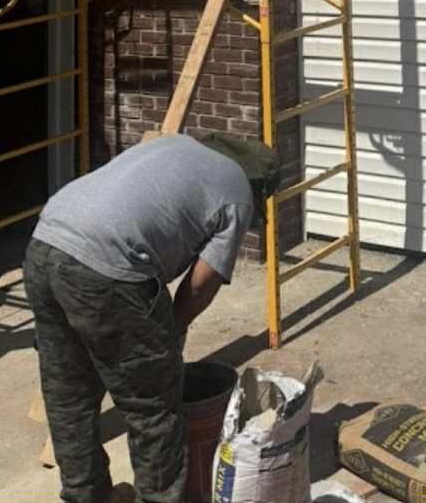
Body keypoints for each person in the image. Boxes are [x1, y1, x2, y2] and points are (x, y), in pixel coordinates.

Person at [24, 131, 281, 503]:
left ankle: (87, 496)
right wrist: (172, 330)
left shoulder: (173, 145)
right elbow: (202, 282)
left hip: (45, 242)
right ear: (259, 187)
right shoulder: (238, 191)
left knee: (70, 392)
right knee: (153, 406)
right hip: (107, 268)